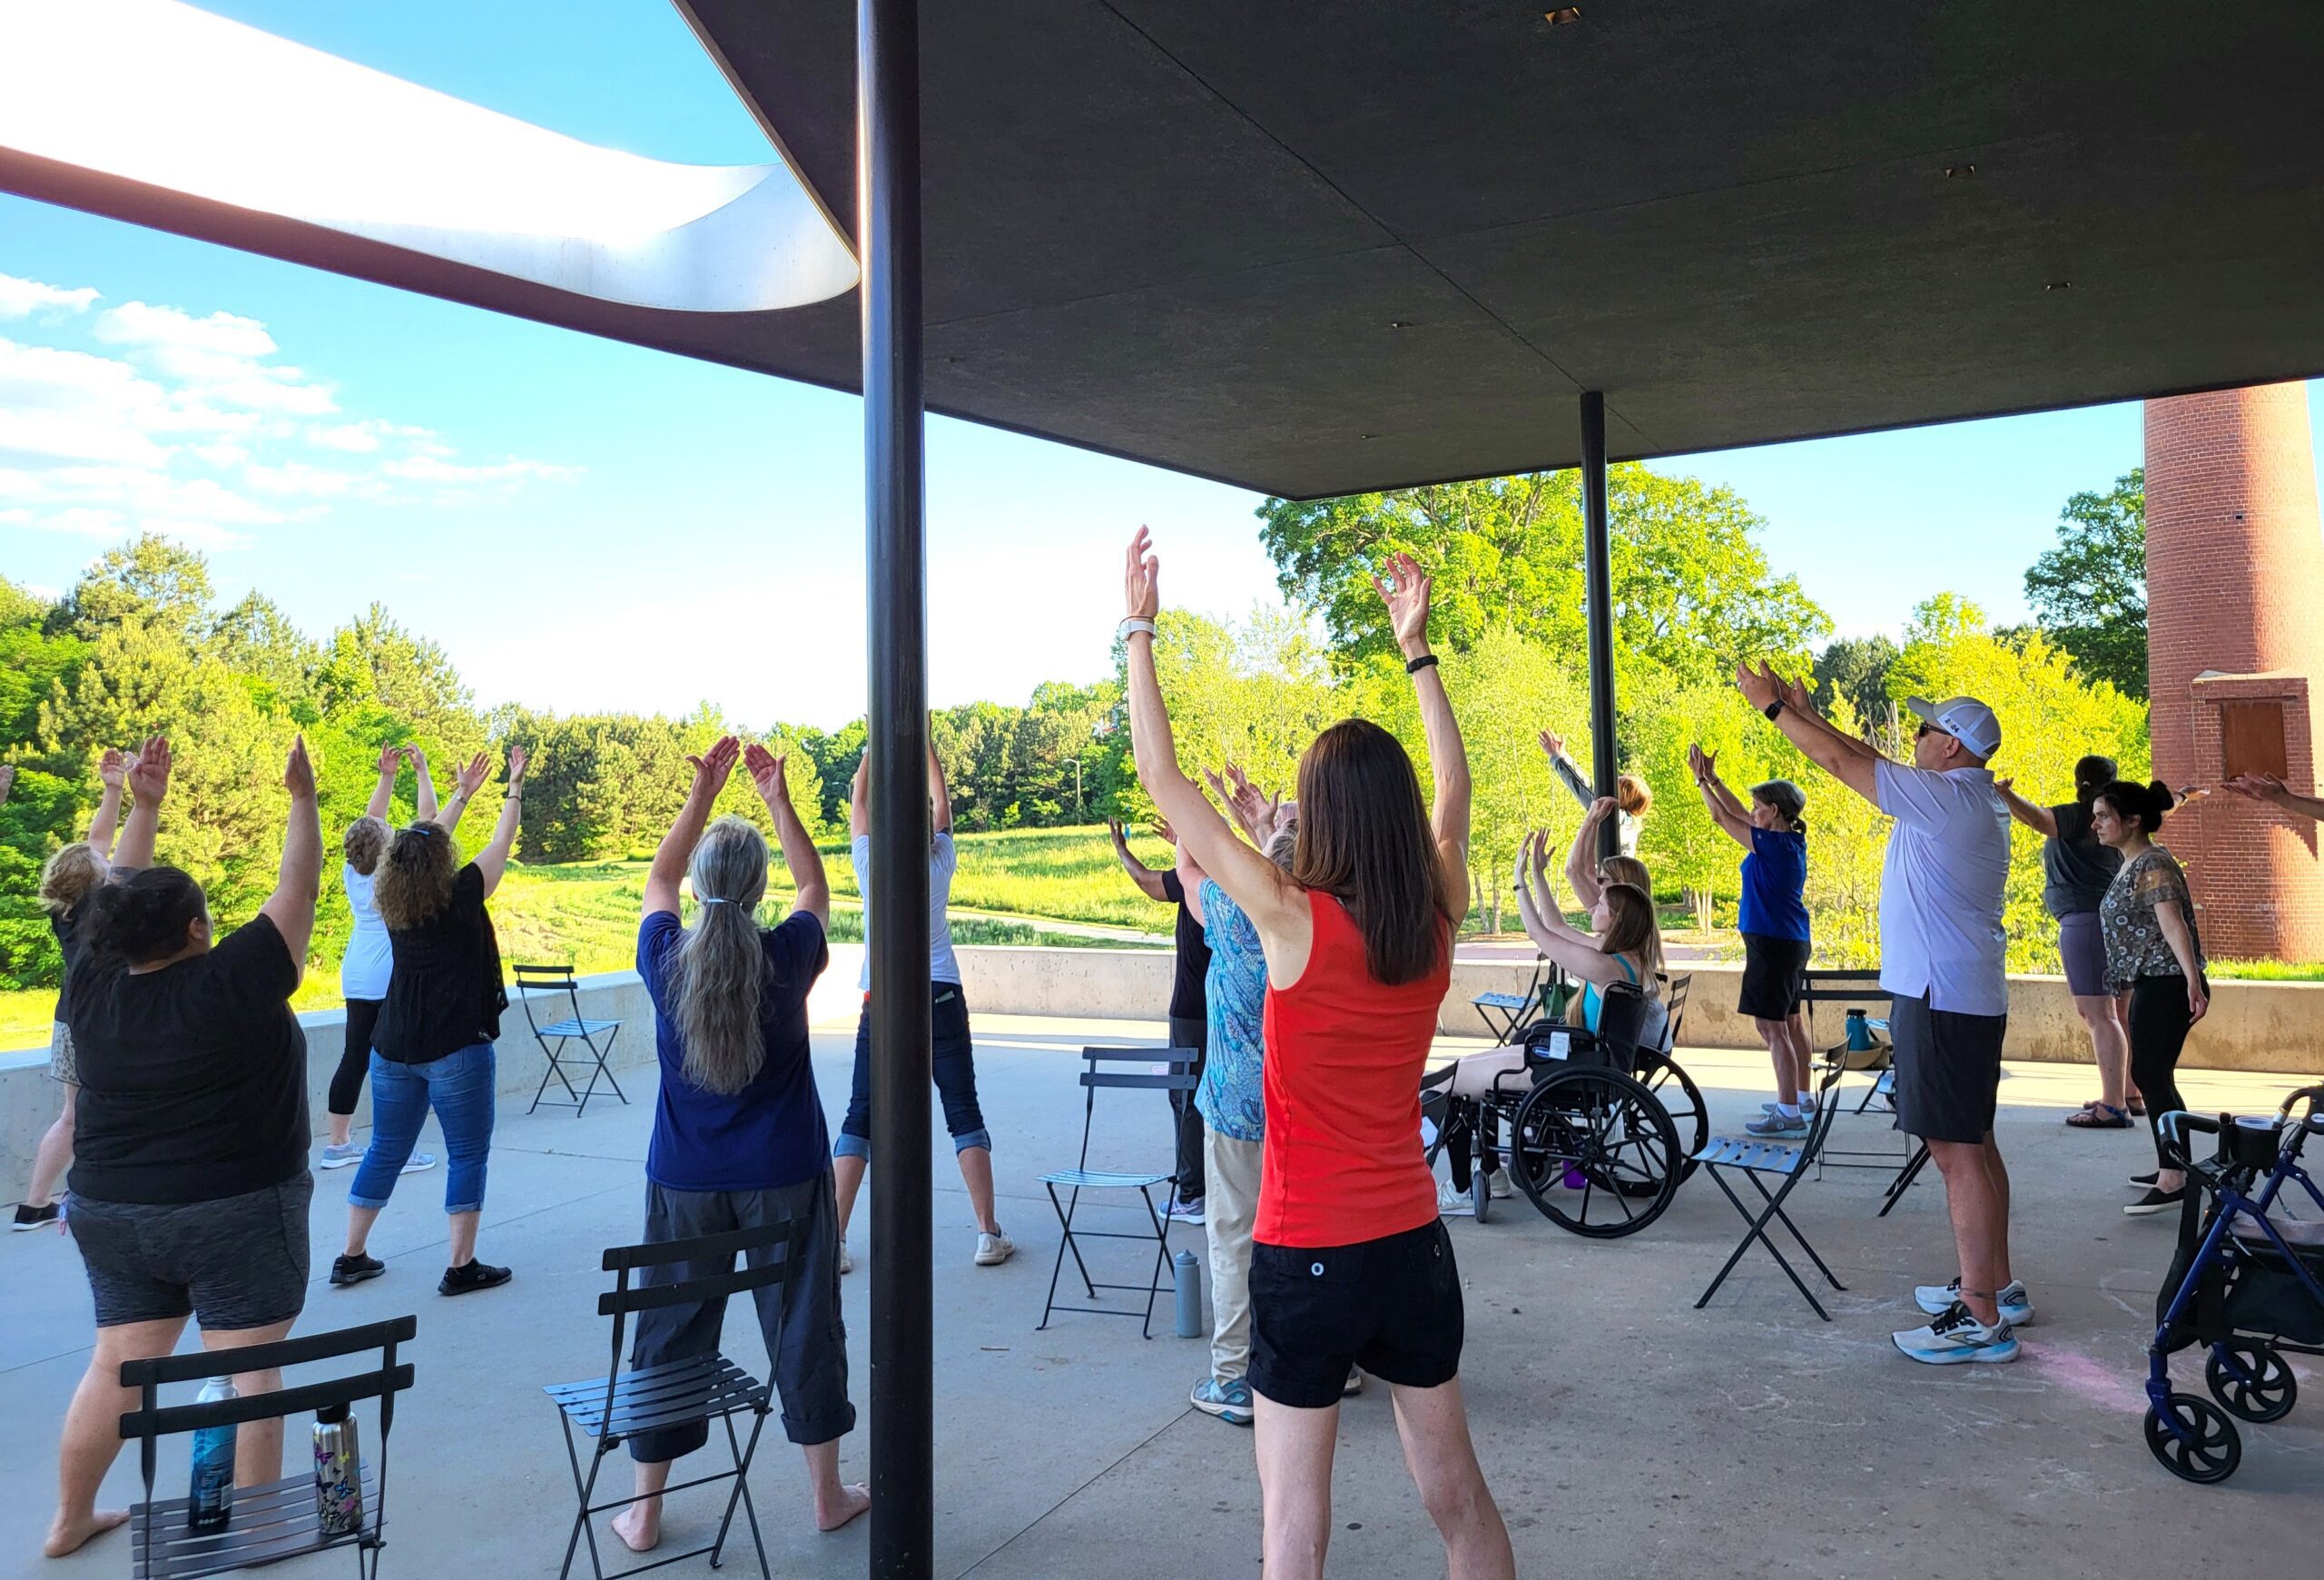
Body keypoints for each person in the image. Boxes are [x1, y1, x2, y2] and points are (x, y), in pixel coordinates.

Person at [1119, 527, 1513, 1580]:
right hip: (1413, 1246)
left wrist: (1139, 628)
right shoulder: (1435, 915)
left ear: (1323, 814)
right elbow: (1455, 791)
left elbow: (1163, 781)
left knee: (1293, 1528)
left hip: (1306, 1253)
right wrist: (1417, 652)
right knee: (1458, 1497)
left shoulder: (1292, 919)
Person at [47, 735, 320, 1558]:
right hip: (234, 1211)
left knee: (116, 1370)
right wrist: (303, 801)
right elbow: (297, 884)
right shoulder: (230, 981)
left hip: (111, 1212)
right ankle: (259, 1537)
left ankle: (67, 1522)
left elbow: (109, 894)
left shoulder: (91, 981)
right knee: (250, 1377)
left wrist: (145, 808)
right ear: (200, 928)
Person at [608, 736, 868, 1555]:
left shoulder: (663, 958)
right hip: (786, 1177)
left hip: (685, 1182)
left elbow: (657, 880)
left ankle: (645, 1511)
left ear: (698, 892)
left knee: (670, 1331)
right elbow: (817, 885)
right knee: (804, 1324)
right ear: (758, 893)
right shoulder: (788, 956)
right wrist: (778, 799)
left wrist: (700, 797)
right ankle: (826, 1496)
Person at [1740, 668, 2028, 1364]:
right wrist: (1810, 711)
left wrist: (1775, 708)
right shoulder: (1963, 796)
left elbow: (1842, 765)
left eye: (1929, 729)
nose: (1919, 737)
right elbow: (1866, 761)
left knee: (1954, 1151)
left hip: (1940, 998)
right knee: (1974, 1143)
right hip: (1956, 994)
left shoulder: (1945, 801)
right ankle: (1995, 1284)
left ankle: (1981, 1315)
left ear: (1953, 748)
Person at [331, 745, 527, 1295]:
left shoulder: (385, 896)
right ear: (442, 860)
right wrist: (511, 788)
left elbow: (420, 842)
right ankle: (461, 1266)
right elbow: (500, 843)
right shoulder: (462, 891)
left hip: (391, 1044)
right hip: (454, 1047)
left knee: (385, 1149)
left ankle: (351, 1256)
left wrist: (462, 795)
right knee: (466, 1152)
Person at [1177, 767, 1327, 1426]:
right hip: (1305, 1109)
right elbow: (1281, 864)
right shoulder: (1324, 911)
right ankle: (1331, 1360)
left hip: (1238, 1107)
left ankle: (1234, 1377)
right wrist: (1269, 829)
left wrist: (1209, 815)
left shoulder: (1234, 914)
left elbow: (1192, 861)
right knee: (1310, 1238)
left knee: (1235, 1239)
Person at [833, 745, 1010, 1269]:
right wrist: (927, 747)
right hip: (940, 995)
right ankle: (987, 1233)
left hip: (882, 999)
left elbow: (858, 804)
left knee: (860, 1117)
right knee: (963, 1110)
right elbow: (943, 806)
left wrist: (870, 753)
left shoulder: (871, 866)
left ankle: (835, 1240)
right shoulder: (939, 861)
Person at [1996, 755, 2139, 1127]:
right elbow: (2161, 811)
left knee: (2098, 1015)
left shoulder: (2083, 816)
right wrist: (2184, 799)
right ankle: (2129, 1092)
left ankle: (2112, 1106)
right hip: (2111, 922)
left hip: (2086, 922)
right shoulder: (2118, 820)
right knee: (2119, 1013)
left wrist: (2005, 795)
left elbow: (2038, 819)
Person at [16, 748, 125, 1231]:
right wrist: (122, 793)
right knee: (102, 1111)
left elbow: (96, 843)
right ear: (95, 880)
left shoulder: (64, 909)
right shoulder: (100, 910)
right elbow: (101, 845)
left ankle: (34, 1203)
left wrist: (113, 789)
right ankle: (93, 1191)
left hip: (65, 1021)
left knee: (70, 1115)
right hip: (96, 1023)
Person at [319, 744, 438, 1174]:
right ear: (386, 848)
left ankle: (337, 1144)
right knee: (399, 1061)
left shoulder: (354, 871)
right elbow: (429, 825)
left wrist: (385, 777)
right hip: (390, 973)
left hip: (356, 971)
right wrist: (420, 771)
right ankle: (396, 1150)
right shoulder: (395, 876)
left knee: (354, 1057)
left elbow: (371, 827)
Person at [2091, 781, 2208, 1217]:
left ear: (2133, 820)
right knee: (2154, 1075)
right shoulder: (2132, 861)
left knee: (2151, 1075)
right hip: (2151, 980)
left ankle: (2174, 1176)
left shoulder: (2152, 862)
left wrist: (2192, 981)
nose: (2096, 823)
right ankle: (2173, 1165)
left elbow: (2172, 923)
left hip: (2167, 980)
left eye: (2104, 815)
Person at [1689, 746, 1815, 1137]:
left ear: (1774, 810)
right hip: (1788, 942)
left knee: (1771, 1027)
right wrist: (1713, 780)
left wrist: (1699, 782)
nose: (1753, 811)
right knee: (1791, 1024)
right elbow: (1739, 814)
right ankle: (1799, 1098)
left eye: (1759, 806)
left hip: (1773, 946)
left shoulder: (1773, 845)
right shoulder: (1784, 840)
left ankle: (1787, 1112)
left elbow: (1720, 816)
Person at [1108, 815, 1212, 1221]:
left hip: (1190, 1011)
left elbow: (1147, 882)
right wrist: (1185, 837)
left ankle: (1192, 1194)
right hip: (1219, 1007)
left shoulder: (1190, 882)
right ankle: (1210, 1187)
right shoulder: (1228, 879)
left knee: (1185, 1098)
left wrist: (1121, 851)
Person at [1538, 725, 1651, 856]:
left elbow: (1590, 796)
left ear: (1626, 797)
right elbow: (1589, 787)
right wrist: (1563, 756)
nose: (1612, 783)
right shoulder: (1625, 821)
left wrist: (1557, 758)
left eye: (1618, 783)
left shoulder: (1617, 817)